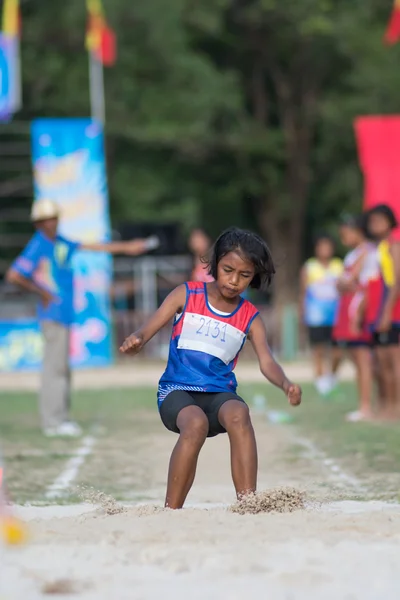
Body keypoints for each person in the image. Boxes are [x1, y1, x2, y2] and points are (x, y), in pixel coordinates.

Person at [120, 227, 302, 509]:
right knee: (195, 423)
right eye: (228, 270)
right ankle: (171, 510)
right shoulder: (186, 294)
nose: (234, 281)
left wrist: (286, 384)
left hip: (218, 395)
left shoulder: (250, 317)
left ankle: (248, 503)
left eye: (245, 275)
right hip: (176, 391)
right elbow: (148, 329)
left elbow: (267, 361)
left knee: (240, 412)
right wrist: (137, 340)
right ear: (215, 263)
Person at [6, 199, 159, 437]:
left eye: (54, 217)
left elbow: (93, 247)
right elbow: (15, 274)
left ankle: (60, 418)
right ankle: (53, 422)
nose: (53, 222)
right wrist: (43, 292)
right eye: (47, 219)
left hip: (63, 314)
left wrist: (127, 247)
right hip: (52, 315)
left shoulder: (59, 242)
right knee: (54, 369)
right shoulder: (39, 245)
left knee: (62, 369)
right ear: (39, 223)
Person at [332, 215, 375, 422]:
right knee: (356, 358)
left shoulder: (368, 251)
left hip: (357, 308)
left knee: (363, 359)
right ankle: (364, 403)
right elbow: (342, 284)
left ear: (357, 230)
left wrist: (346, 284)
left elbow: (353, 282)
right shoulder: (352, 255)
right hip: (347, 306)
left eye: (345, 234)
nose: (343, 239)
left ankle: (366, 406)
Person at [363, 204, 400, 420]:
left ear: (389, 222)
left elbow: (396, 282)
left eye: (379, 220)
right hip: (376, 313)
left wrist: (386, 313)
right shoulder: (374, 248)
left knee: (393, 362)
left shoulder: (393, 246)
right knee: (379, 363)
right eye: (372, 221)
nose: (375, 224)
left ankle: (395, 406)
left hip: (392, 312)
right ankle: (385, 404)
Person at [299, 234, 343, 396]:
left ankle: (331, 377)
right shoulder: (309, 267)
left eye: (328, 247)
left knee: (338, 351)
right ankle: (320, 381)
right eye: (321, 247)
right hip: (316, 315)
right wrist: (302, 312)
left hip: (336, 316)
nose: (325, 250)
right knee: (318, 349)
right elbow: (303, 292)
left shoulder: (339, 266)